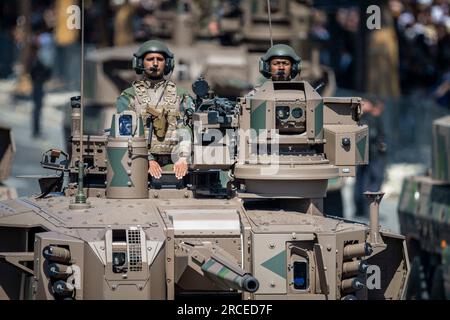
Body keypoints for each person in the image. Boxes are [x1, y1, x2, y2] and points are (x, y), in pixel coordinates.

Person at [116, 40, 192, 181]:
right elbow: (125, 133)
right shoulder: (129, 96)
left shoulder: (181, 95)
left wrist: (183, 158)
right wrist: (148, 159)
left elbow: (186, 127)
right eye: (150, 59)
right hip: (139, 161)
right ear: (140, 63)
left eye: (160, 59)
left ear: (168, 63)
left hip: (174, 161)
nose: (155, 63)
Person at [353, 98, 387, 217]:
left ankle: (362, 210)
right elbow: (373, 135)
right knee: (372, 182)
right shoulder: (370, 118)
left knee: (363, 182)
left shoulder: (364, 118)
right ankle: (369, 210)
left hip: (365, 155)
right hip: (372, 155)